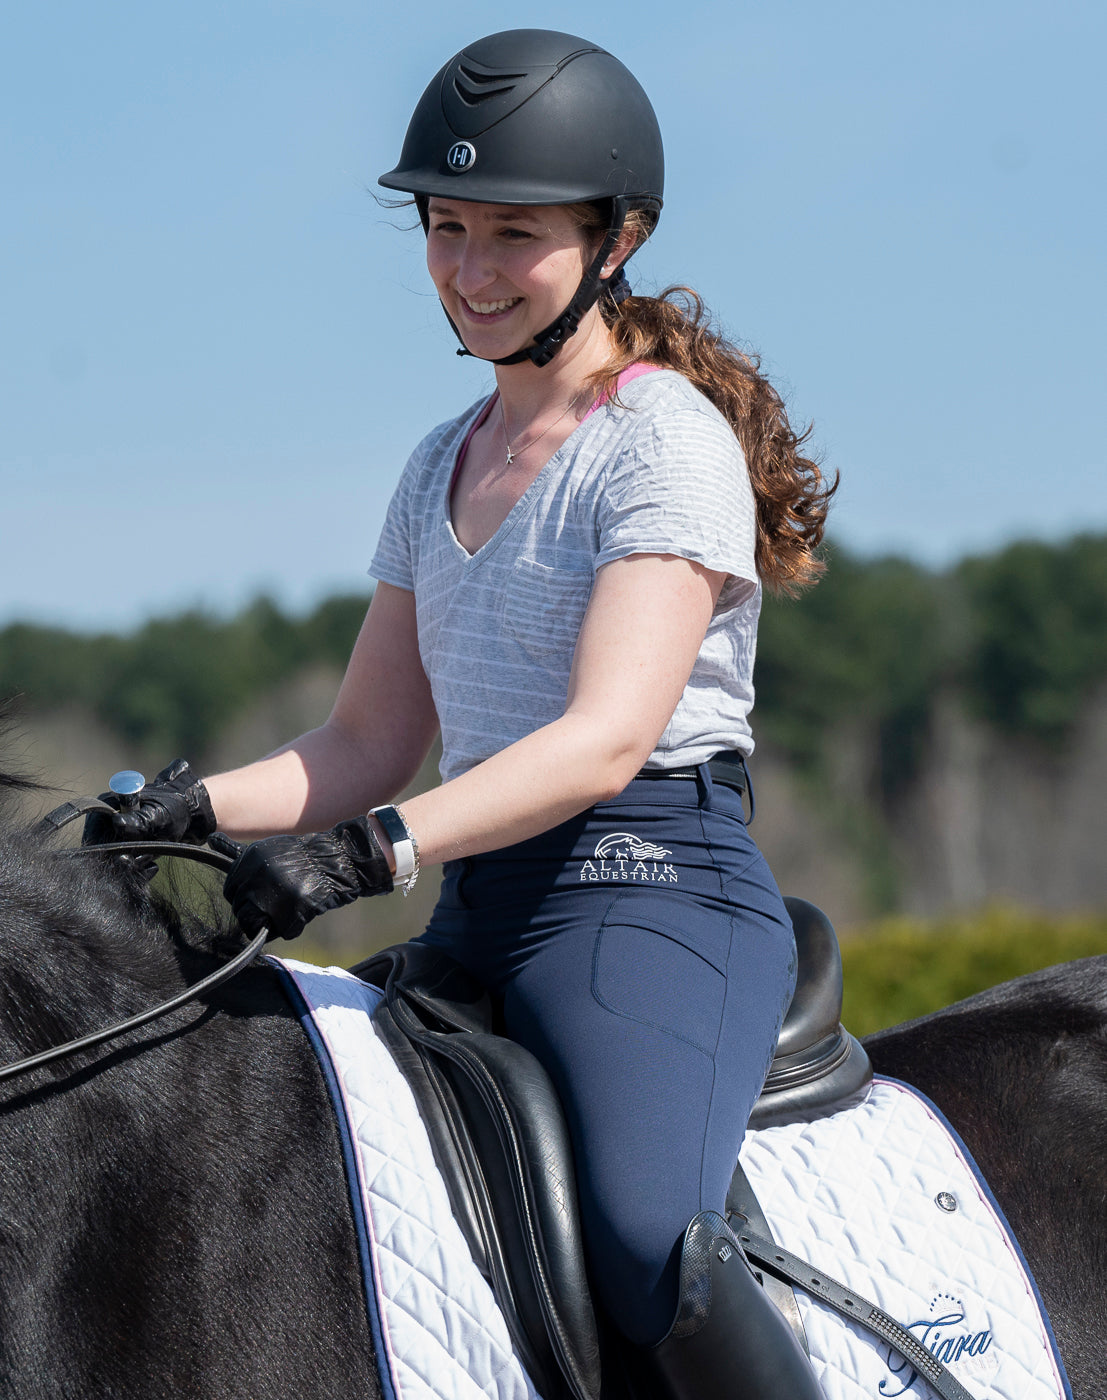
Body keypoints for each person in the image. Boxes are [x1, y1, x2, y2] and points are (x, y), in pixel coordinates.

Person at [89, 29, 835, 1400]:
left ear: (618, 238)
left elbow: (606, 738)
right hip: (481, 911)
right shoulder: (443, 459)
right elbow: (364, 745)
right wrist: (188, 810)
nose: (471, 271)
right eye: (444, 229)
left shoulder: (661, 442)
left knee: (644, 1242)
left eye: (513, 235)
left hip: (648, 893)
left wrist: (371, 852)